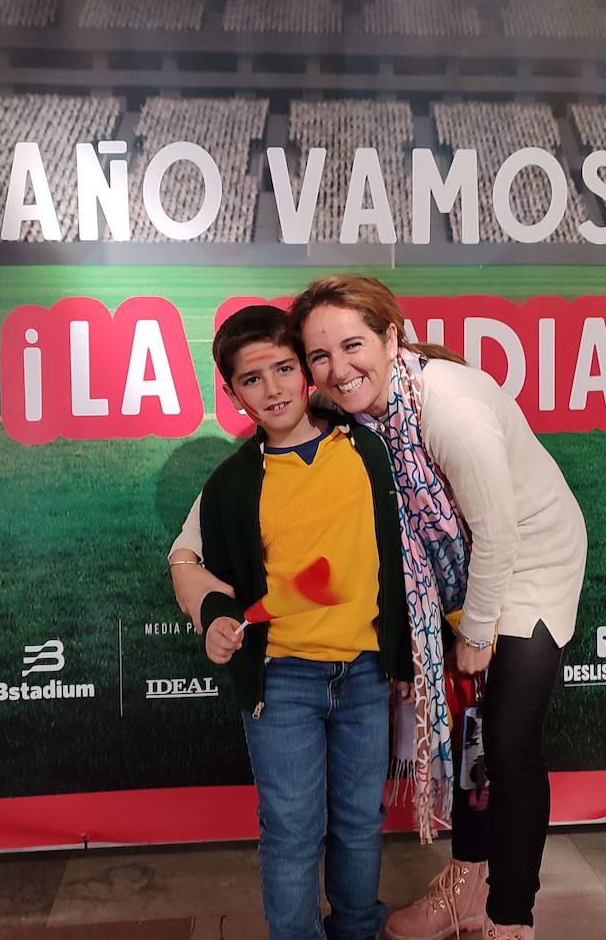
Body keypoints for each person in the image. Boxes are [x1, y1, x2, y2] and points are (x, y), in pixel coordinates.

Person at [172, 277, 586, 940]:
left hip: (527, 565)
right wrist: (199, 587)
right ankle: (468, 883)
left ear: (393, 337)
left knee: (506, 742)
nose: (338, 369)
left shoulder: (448, 407)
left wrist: (478, 630)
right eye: (320, 356)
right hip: (456, 576)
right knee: (473, 736)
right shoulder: (346, 417)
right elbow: (199, 533)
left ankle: (508, 915)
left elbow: (501, 533)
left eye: (354, 345)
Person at [184, 304, 412, 940]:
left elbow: (400, 553)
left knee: (360, 821)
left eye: (285, 368)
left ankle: (358, 927)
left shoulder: (366, 449)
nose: (275, 388)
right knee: (291, 830)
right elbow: (204, 570)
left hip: (365, 675)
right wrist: (220, 619)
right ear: (231, 394)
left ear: (307, 373)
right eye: (253, 379)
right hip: (281, 683)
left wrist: (402, 655)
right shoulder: (231, 484)